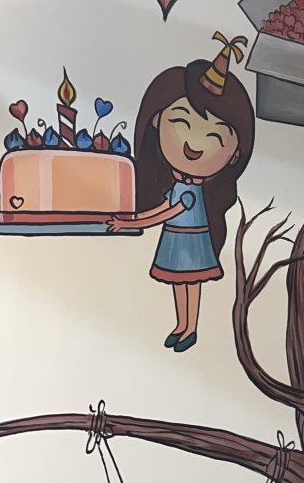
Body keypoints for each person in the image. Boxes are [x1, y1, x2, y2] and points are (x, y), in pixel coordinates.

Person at [107, 33, 254, 352]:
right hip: (177, 239)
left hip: (190, 242)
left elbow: (165, 213)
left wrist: (130, 222)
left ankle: (190, 327)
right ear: (157, 120)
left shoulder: (190, 193)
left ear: (234, 154)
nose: (194, 145)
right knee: (179, 283)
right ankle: (182, 325)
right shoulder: (178, 185)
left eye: (215, 137)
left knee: (190, 283)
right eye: (181, 123)